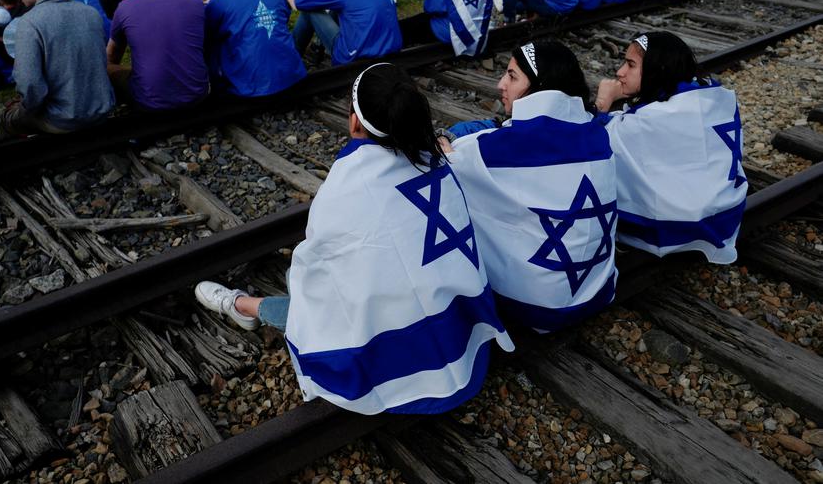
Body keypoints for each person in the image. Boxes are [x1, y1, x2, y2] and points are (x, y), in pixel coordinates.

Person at [194, 63, 514, 414]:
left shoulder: (345, 187)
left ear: (354, 123)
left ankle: (243, 307)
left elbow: (318, 276)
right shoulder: (439, 163)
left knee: (305, 292)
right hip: (464, 337)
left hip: (402, 364)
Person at [439, 41, 618, 333]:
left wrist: (443, 140)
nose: (500, 84)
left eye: (511, 76)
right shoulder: (598, 133)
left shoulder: (497, 149)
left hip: (536, 307)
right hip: (598, 290)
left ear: (538, 87)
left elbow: (450, 161)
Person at [595, 33, 747, 263]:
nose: (620, 71)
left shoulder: (649, 121)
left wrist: (603, 105)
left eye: (630, 64)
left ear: (658, 68)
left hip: (676, 227)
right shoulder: (712, 99)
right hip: (728, 212)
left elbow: (594, 141)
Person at [0, 0, 114, 136]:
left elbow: (30, 86)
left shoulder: (29, 23)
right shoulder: (90, 13)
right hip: (101, 112)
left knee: (6, 118)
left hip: (64, 120)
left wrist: (25, 108)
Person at [106, 0, 210, 110]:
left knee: (108, 66)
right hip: (196, 94)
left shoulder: (125, 7)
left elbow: (112, 56)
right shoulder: (195, 2)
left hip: (149, 100)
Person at [204, 0, 307, 97]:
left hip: (250, 85)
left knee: (212, 42)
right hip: (291, 74)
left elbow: (208, 36)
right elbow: (283, 18)